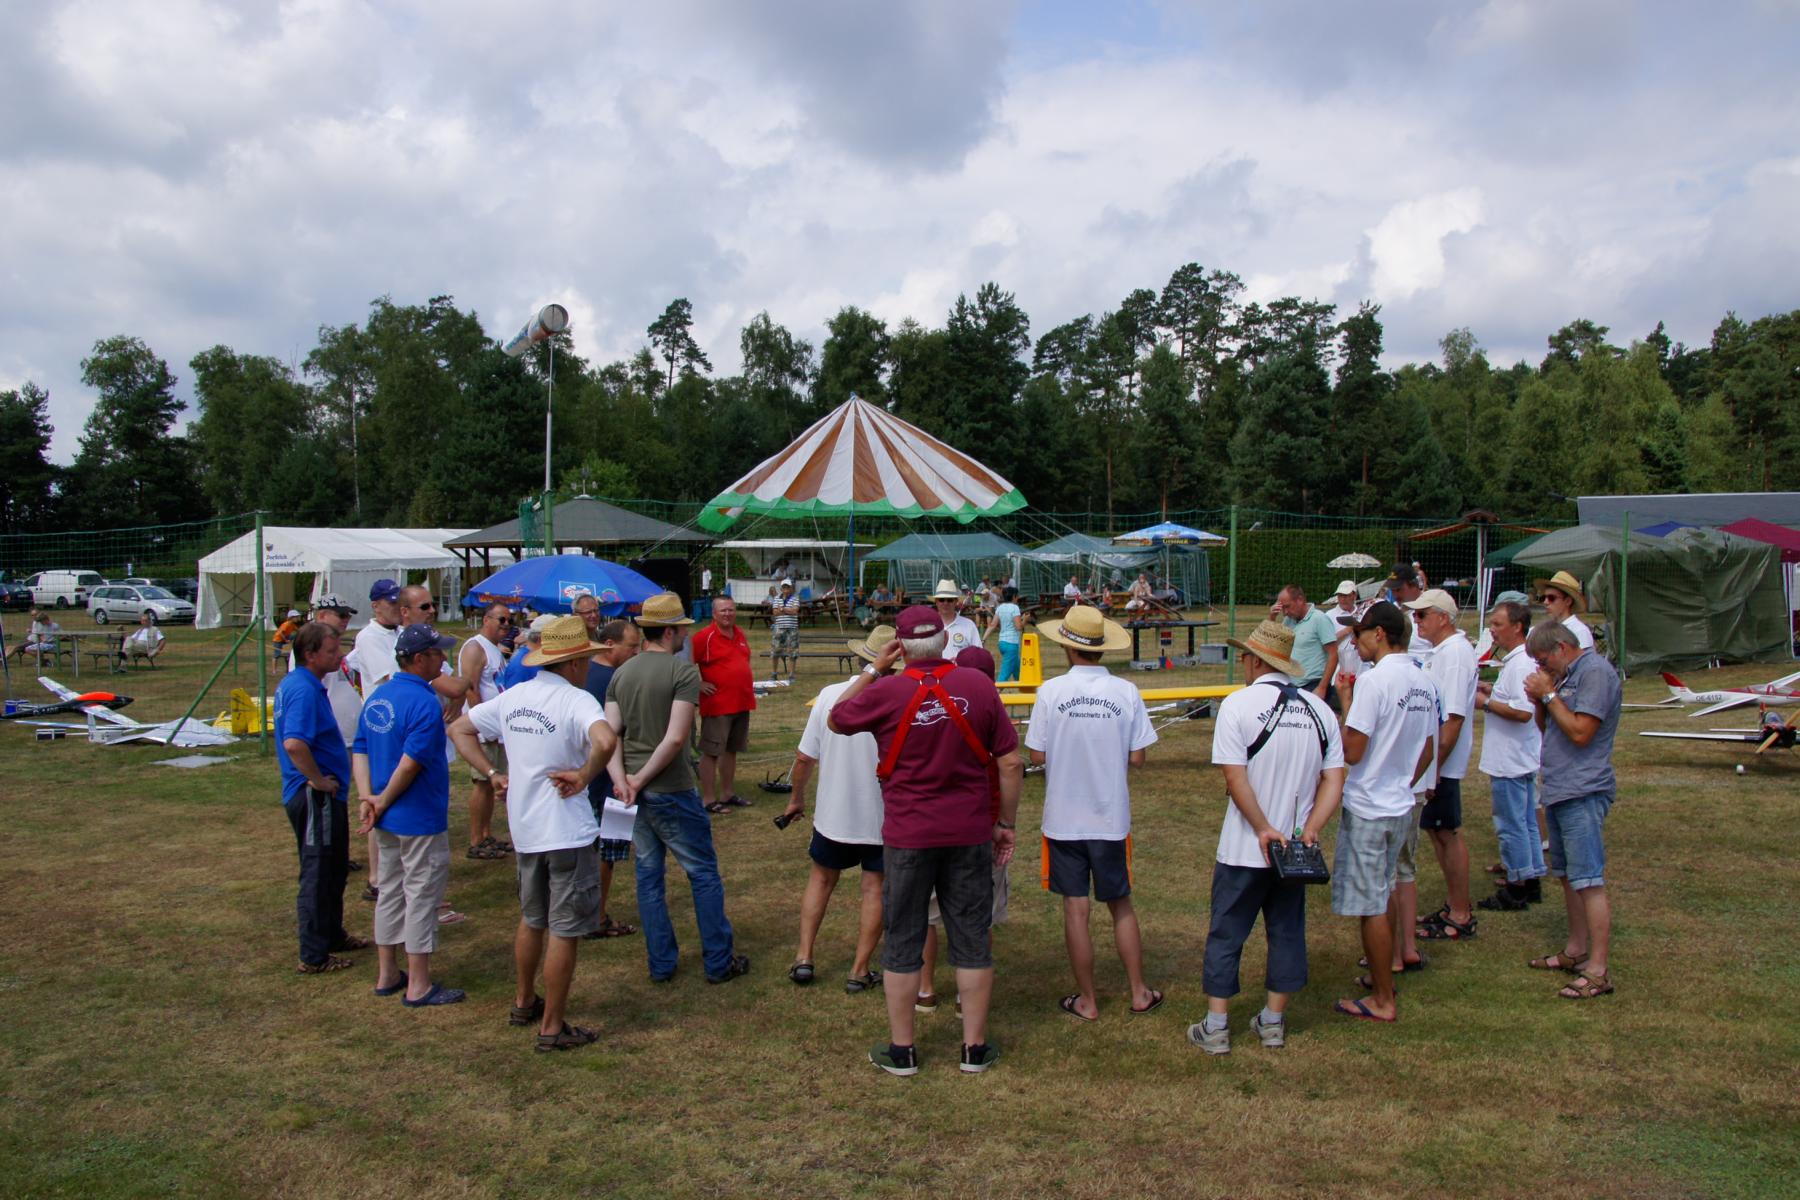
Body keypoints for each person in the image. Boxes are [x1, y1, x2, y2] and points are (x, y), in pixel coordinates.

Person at [830, 605, 1023, 1077]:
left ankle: (903, 1051)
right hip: (968, 832)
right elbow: (1010, 761)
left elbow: (837, 718)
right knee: (972, 937)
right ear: (944, 640)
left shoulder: (887, 690)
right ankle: (974, 1048)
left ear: (900, 646)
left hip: (908, 835)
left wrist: (875, 669)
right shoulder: (978, 686)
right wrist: (1005, 822)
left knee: (903, 936)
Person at [452, 615, 619, 1052]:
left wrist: (492, 773)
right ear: (574, 663)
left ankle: (524, 1001)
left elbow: (460, 728)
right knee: (564, 929)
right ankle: (552, 1026)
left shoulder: (515, 696)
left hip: (525, 829)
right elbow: (605, 741)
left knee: (532, 919)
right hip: (567, 830)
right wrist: (584, 775)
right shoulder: (577, 700)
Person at [1190, 621, 1345, 1054]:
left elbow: (1235, 778)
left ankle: (1217, 1026)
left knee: (1226, 933)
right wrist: (1312, 828)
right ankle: (1273, 1021)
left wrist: (1261, 827)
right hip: (1294, 851)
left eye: (1244, 657)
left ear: (1255, 661)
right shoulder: (1319, 711)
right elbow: (1335, 778)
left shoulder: (1237, 705)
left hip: (1243, 846)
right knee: (1287, 931)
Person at [1026, 605, 1161, 1023]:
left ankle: (1087, 1000)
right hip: (1110, 818)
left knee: (1076, 908)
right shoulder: (1126, 691)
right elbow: (1137, 757)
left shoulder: (1050, 691)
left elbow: (1036, 754)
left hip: (1064, 820)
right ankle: (1138, 991)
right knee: (1121, 904)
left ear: (1067, 647)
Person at [606, 593, 749, 985]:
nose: (686, 634)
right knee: (702, 872)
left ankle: (661, 964)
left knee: (648, 877)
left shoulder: (622, 673)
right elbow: (674, 738)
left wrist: (622, 780)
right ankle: (718, 962)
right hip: (670, 787)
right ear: (669, 632)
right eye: (682, 628)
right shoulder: (682, 673)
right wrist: (637, 779)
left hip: (632, 792)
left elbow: (609, 735)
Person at [1329, 601, 1439, 1024]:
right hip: (1399, 804)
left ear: (1379, 634)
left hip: (1370, 806)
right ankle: (1383, 977)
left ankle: (1382, 999)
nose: (1355, 641)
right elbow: (1427, 748)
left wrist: (1344, 705)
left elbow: (1353, 751)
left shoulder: (1375, 682)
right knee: (1385, 891)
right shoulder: (1423, 681)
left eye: (1359, 633)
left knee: (1371, 905)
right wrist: (1402, 780)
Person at [781, 625, 899, 993]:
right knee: (874, 889)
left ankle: (804, 956)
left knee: (820, 879)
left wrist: (796, 798)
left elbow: (805, 757)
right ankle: (859, 969)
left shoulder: (830, 695)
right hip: (883, 816)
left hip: (835, 814)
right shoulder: (901, 699)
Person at [354, 623, 466, 1008]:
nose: (443, 660)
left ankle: (387, 973)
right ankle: (418, 983)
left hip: (386, 815)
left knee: (390, 889)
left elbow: (361, 748)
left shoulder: (380, 696)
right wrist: (381, 800)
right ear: (419, 659)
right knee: (421, 893)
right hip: (417, 814)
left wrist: (369, 797)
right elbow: (411, 762)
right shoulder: (424, 702)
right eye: (437, 654)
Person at [1522, 621, 1621, 999]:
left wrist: (1548, 694)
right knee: (1567, 876)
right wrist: (1541, 701)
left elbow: (1581, 732)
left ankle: (1598, 970)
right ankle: (1576, 950)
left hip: (1584, 790)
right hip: (1560, 788)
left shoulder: (1595, 673)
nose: (1541, 669)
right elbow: (1550, 729)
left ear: (1562, 648)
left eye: (1543, 661)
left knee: (1588, 880)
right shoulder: (1565, 676)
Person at [276, 622, 366, 974]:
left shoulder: (303, 684)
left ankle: (331, 934)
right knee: (317, 871)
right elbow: (294, 744)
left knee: (333, 867)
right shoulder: (303, 690)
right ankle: (313, 955)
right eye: (331, 651)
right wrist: (317, 780)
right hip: (314, 798)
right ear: (310, 654)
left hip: (323, 796)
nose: (338, 655)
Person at [1404, 588, 1479, 944]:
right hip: (1438, 762)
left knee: (1447, 833)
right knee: (1438, 832)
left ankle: (1461, 913)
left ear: (1443, 618)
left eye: (1422, 615)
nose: (1416, 621)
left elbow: (1453, 718)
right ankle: (1453, 905)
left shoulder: (1455, 654)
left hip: (1442, 764)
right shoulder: (1444, 652)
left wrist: (1433, 770)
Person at [1475, 599, 1545, 911]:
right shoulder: (1518, 661)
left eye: (1497, 624)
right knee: (1526, 821)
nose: (1492, 630)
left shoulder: (1520, 664)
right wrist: (1493, 692)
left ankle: (1516, 886)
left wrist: (1485, 704)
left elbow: (1522, 712)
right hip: (1519, 757)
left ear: (1517, 627)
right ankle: (1531, 878)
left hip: (1510, 760)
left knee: (1511, 824)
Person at [582, 619, 642, 940]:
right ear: (609, 645)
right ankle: (597, 916)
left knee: (599, 851)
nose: (636, 652)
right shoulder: (614, 681)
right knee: (607, 852)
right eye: (631, 647)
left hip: (598, 781)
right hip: (609, 784)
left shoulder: (586, 674)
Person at [456, 602, 514, 862]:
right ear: (486, 619)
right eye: (501, 619)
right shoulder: (475, 647)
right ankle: (476, 839)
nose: (506, 625)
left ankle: (487, 834)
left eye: (510, 620)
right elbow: (470, 687)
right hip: (483, 729)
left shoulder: (494, 649)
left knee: (492, 784)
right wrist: (480, 724)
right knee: (482, 782)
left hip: (496, 728)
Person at [691, 596, 756, 815]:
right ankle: (708, 798)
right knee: (711, 752)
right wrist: (698, 683)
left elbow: (744, 661)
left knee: (731, 750)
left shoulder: (739, 634)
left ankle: (727, 792)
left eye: (731, 610)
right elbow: (682, 665)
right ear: (714, 614)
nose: (727, 614)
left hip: (741, 702)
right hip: (718, 705)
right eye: (723, 611)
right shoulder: (704, 637)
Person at [1273, 584, 1340, 708]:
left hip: (1312, 686)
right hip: (1291, 686)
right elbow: (1272, 647)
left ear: (1300, 600)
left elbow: (1333, 654)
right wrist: (1272, 618)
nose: (1285, 612)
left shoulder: (1319, 619)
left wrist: (1322, 687)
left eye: (1287, 606)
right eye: (1282, 608)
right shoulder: (1288, 620)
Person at [1534, 570, 1595, 651]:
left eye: (1551, 598)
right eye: (1543, 598)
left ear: (1568, 601)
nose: (1545, 602)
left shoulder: (1580, 631)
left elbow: (1586, 658)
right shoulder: (1542, 629)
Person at [1385, 566, 1435, 662]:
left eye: (1398, 589)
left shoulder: (1431, 610)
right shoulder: (1392, 610)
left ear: (1414, 586)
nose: (1395, 595)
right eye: (1392, 590)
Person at [501, 615, 556, 689]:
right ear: (541, 639)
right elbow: (513, 694)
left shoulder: (532, 659)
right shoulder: (523, 665)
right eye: (554, 637)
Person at [932, 579, 981, 660]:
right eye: (942, 599)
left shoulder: (969, 625)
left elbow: (978, 654)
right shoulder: (928, 625)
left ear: (956, 601)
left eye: (950, 600)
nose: (945, 603)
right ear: (936, 601)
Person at [985, 586, 1025, 682]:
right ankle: (995, 690)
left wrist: (983, 638)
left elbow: (992, 625)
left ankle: (1023, 686)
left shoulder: (1000, 607)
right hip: (1012, 644)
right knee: (1004, 675)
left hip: (1002, 643)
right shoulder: (1015, 608)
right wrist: (1025, 620)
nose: (1018, 598)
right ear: (1014, 596)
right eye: (1017, 596)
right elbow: (1019, 627)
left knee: (1018, 671)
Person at [770, 578, 801, 681]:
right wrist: (788, 610)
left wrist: (782, 609)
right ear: (781, 588)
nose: (786, 590)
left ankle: (791, 674)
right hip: (779, 628)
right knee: (775, 651)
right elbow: (775, 612)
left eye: (788, 587)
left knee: (792, 652)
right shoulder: (776, 599)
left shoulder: (795, 598)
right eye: (784, 587)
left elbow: (795, 611)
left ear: (791, 588)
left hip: (792, 628)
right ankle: (774, 673)